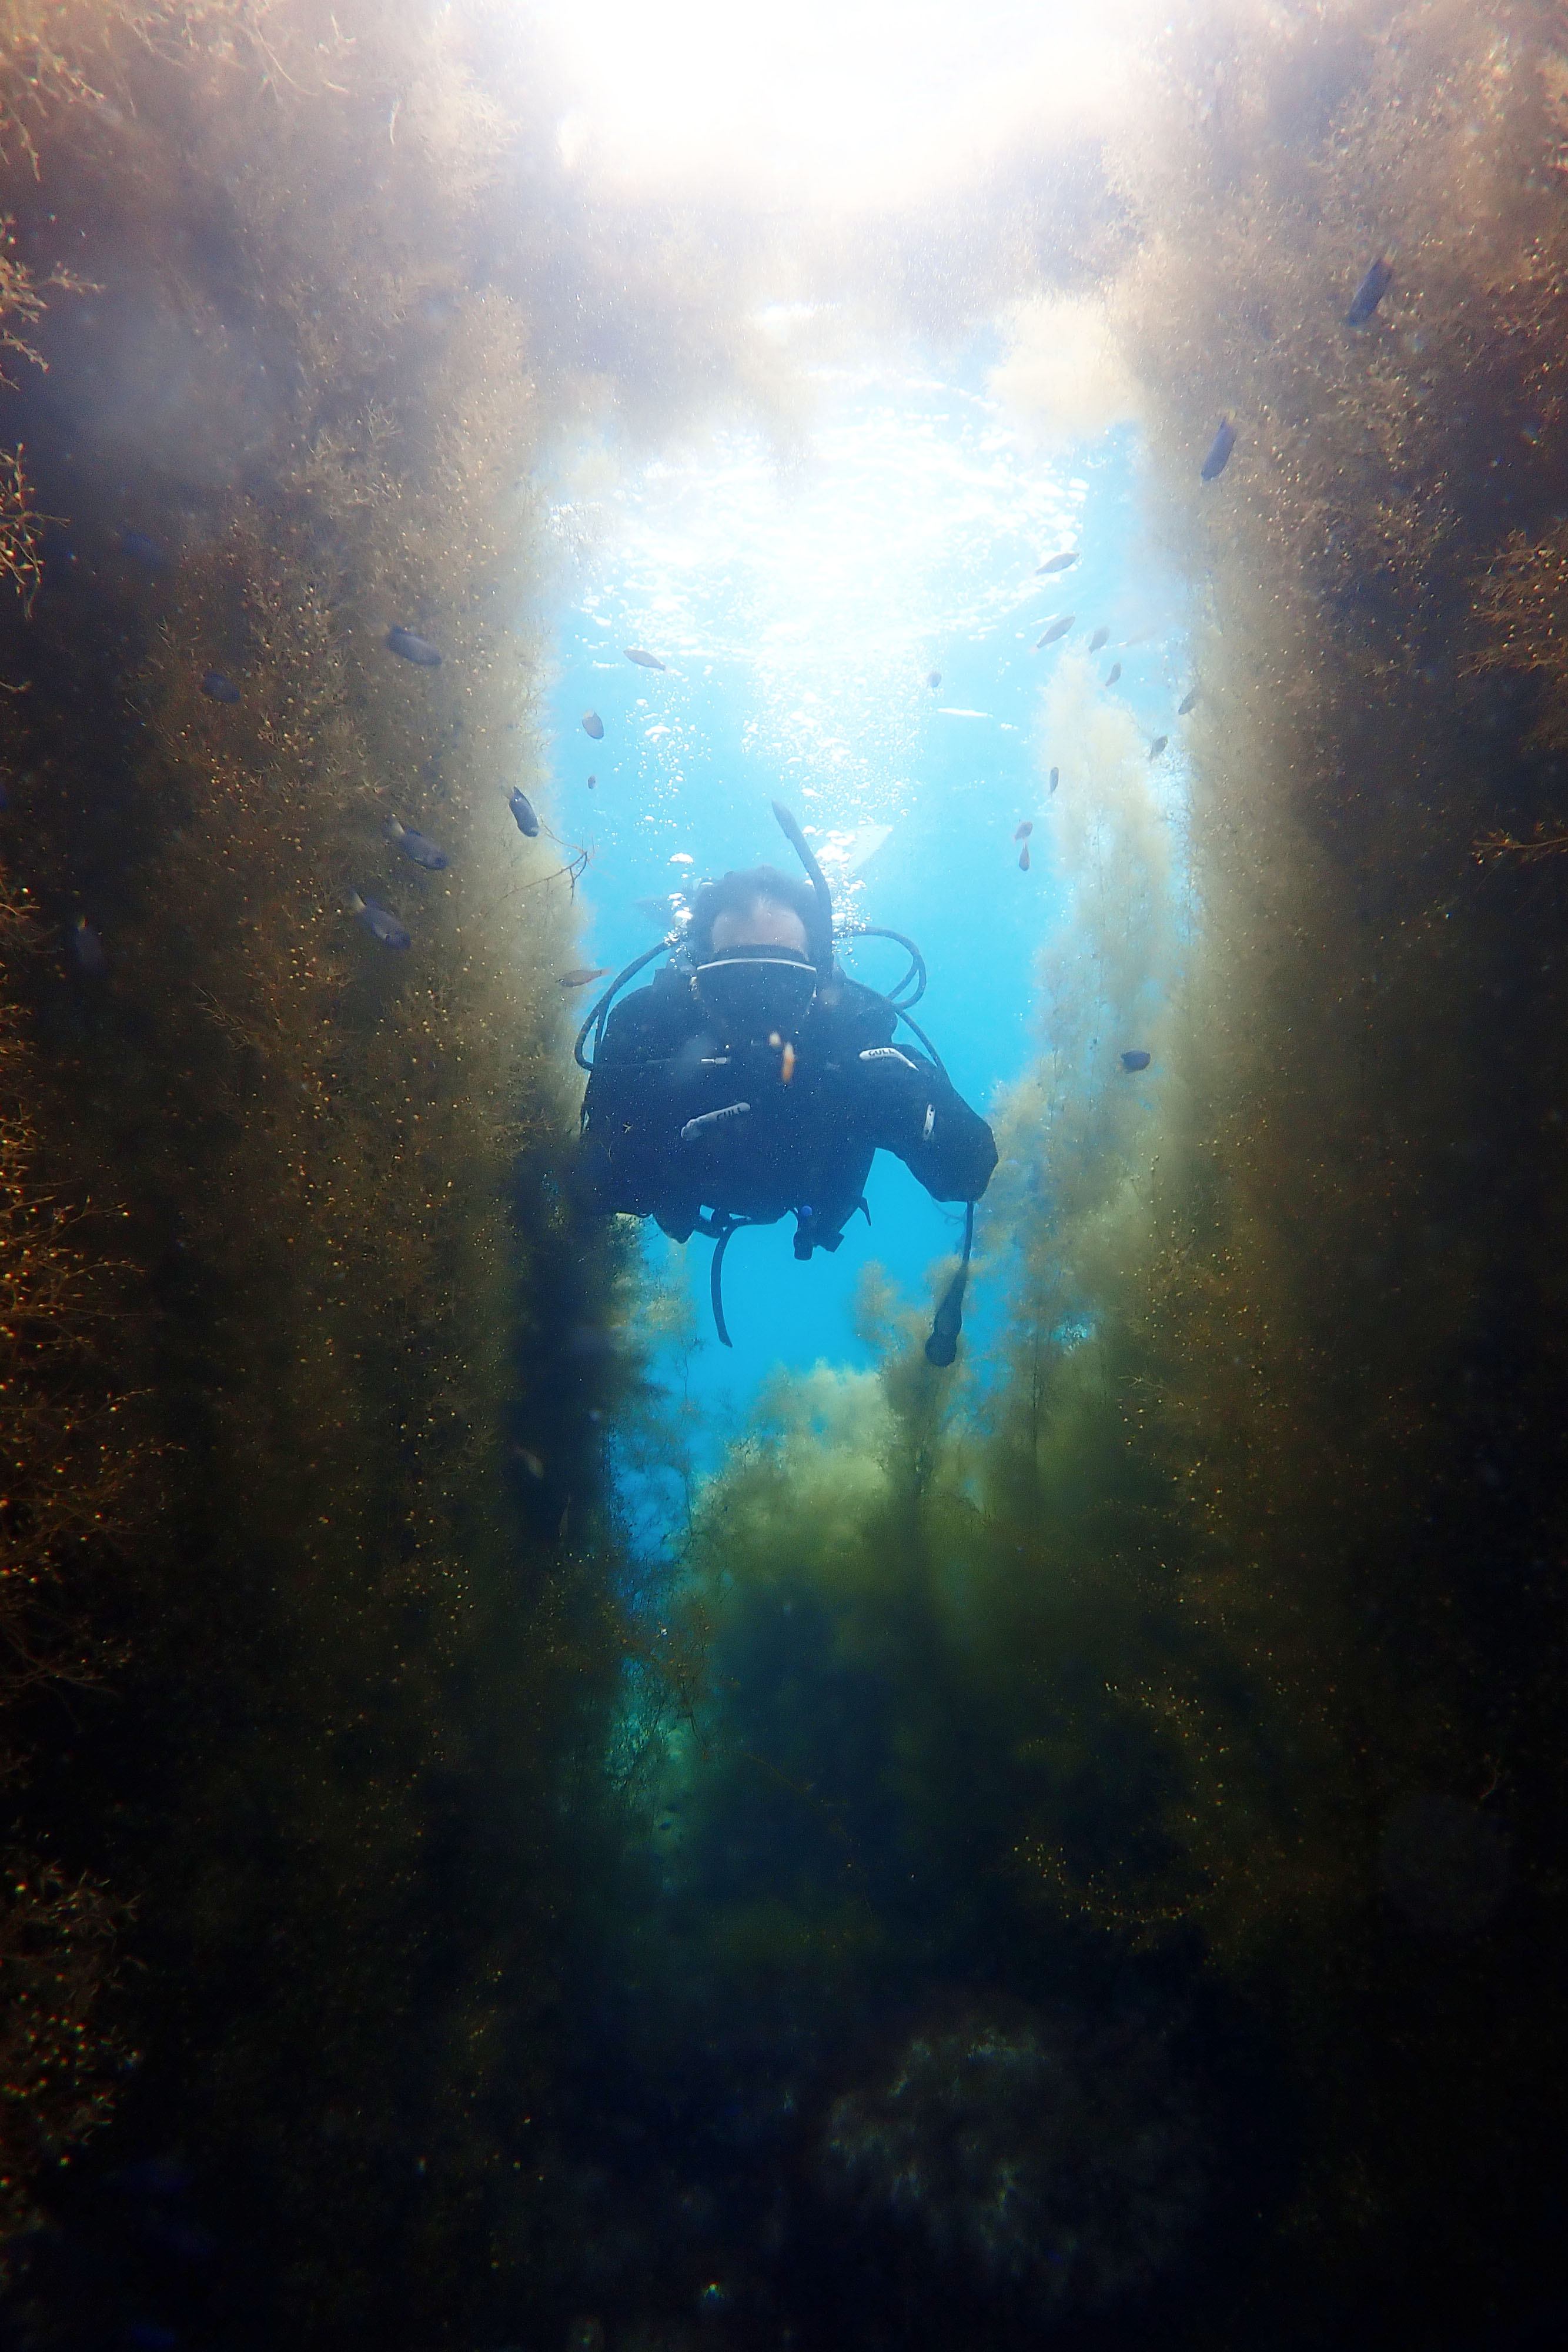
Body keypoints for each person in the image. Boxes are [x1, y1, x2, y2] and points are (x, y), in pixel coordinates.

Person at [574, 803, 997, 1353]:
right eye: (736, 984)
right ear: (695, 980)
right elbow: (591, 1191)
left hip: (813, 1202)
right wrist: (660, 1141)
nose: (760, 1011)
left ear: (818, 980)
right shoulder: (651, 1035)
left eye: (781, 984)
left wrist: (911, 1100)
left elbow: (968, 1176)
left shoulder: (852, 1044)